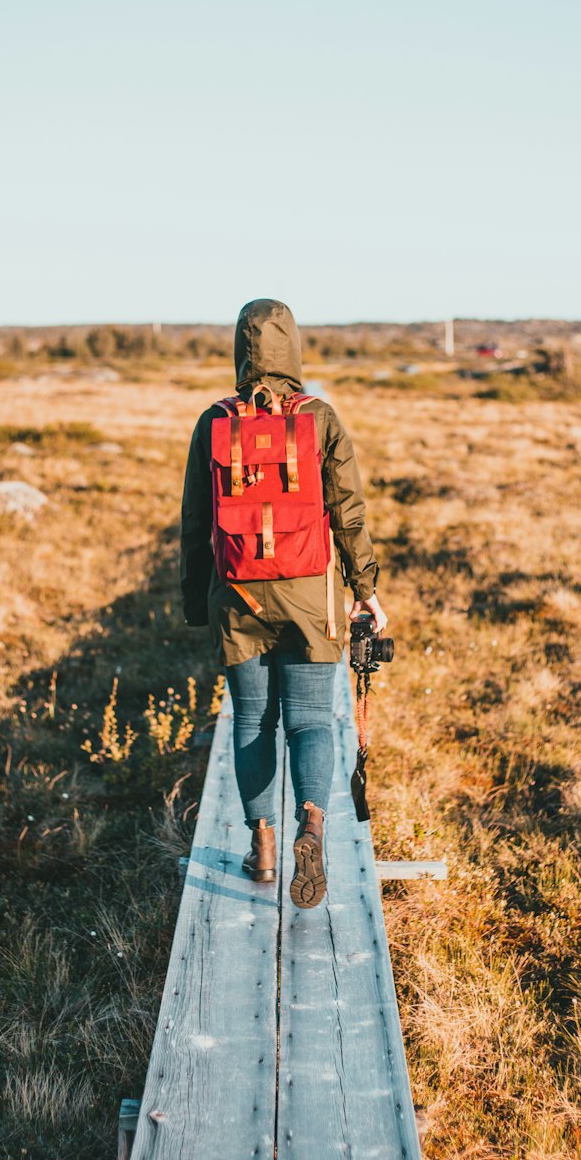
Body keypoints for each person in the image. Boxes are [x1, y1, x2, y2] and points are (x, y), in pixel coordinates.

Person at [180, 298, 387, 909]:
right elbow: (348, 514)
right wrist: (367, 591)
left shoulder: (213, 421)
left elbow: (196, 523)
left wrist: (199, 604)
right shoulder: (318, 418)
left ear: (240, 349)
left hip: (237, 596)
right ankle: (314, 828)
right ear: (293, 347)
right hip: (311, 595)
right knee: (311, 722)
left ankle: (263, 846)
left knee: (252, 721)